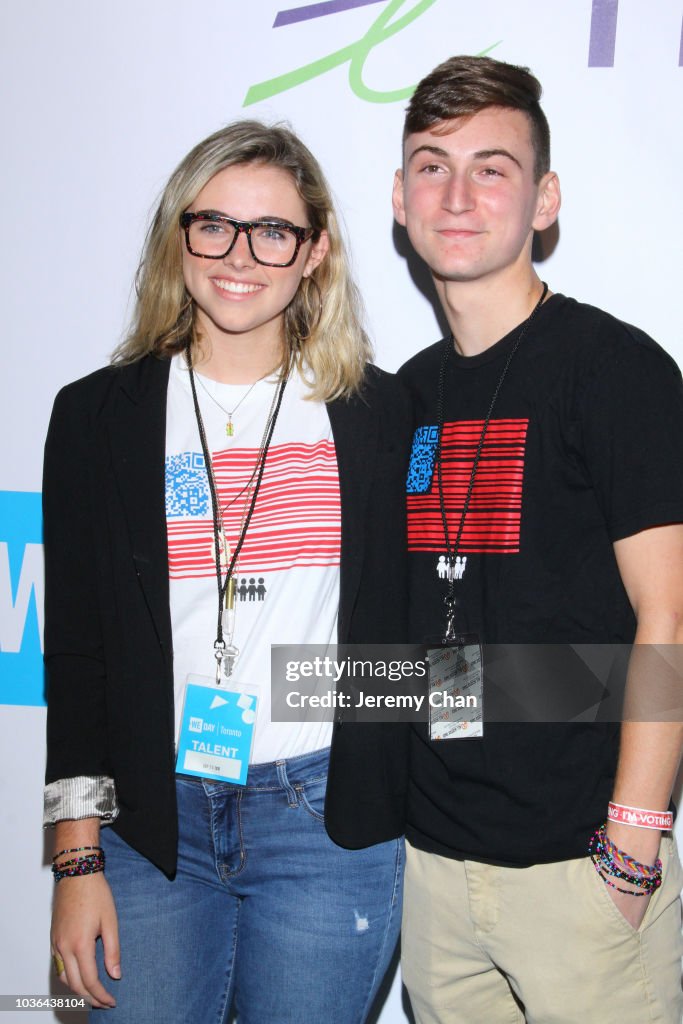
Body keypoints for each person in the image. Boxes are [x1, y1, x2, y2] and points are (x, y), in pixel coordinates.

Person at [43, 120, 410, 1023]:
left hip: (324, 821)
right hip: (148, 826)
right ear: (181, 236)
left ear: (314, 251)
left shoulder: (381, 413)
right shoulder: (96, 417)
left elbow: (425, 632)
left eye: (273, 231)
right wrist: (77, 861)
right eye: (214, 225)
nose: (240, 255)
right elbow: (79, 659)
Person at [393, 55, 683, 1023]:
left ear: (542, 198)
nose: (458, 193)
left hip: (579, 876)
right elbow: (449, 635)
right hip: (433, 874)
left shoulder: (615, 369)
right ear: (400, 199)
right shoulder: (405, 391)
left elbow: (666, 612)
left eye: (492, 166)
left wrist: (632, 839)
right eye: (431, 165)